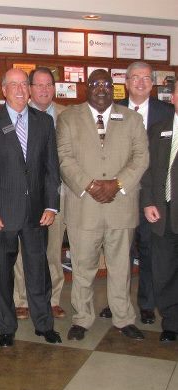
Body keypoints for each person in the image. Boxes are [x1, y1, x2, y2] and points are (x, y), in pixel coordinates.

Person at [57, 69, 149, 341]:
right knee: (83, 267)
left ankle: (123, 317)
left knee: (121, 267)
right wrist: (91, 185)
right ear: (87, 88)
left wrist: (117, 184)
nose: (101, 89)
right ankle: (83, 318)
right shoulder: (68, 118)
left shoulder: (132, 119)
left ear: (114, 88)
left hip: (120, 205)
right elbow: (64, 158)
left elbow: (141, 157)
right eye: (95, 84)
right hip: (84, 206)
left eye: (106, 84)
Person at [0, 68, 61, 347]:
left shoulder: (44, 122)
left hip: (37, 212)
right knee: (1, 273)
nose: (21, 90)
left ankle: (44, 324)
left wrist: (51, 205)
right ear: (3, 89)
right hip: (1, 213)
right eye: (14, 85)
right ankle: (6, 328)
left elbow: (51, 169)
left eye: (25, 84)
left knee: (39, 270)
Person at [99, 61, 174, 323]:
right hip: (121, 194)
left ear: (152, 83)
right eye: (135, 78)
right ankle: (117, 302)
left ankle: (146, 303)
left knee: (150, 249)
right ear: (126, 82)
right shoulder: (112, 110)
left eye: (146, 78)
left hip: (154, 195)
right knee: (120, 252)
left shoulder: (167, 111)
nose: (140, 83)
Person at [13, 67, 67, 320]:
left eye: (49, 85)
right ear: (30, 88)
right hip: (27, 195)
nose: (44, 90)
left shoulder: (68, 115)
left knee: (53, 249)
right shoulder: (20, 114)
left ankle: (53, 298)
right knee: (25, 251)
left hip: (59, 194)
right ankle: (22, 299)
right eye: (39, 85)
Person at [141, 78, 177, 342]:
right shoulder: (158, 129)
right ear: (172, 98)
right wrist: (148, 203)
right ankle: (172, 322)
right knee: (164, 271)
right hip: (162, 215)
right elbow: (148, 172)